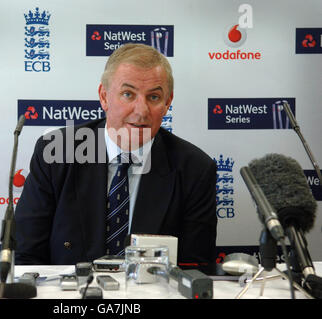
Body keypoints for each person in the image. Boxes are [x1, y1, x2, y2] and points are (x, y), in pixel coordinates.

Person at [15, 43, 217, 274]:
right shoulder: (57, 151)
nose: (141, 111)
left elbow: (195, 268)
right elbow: (26, 255)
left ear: (167, 103)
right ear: (104, 97)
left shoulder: (195, 169)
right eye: (128, 94)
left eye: (153, 97)